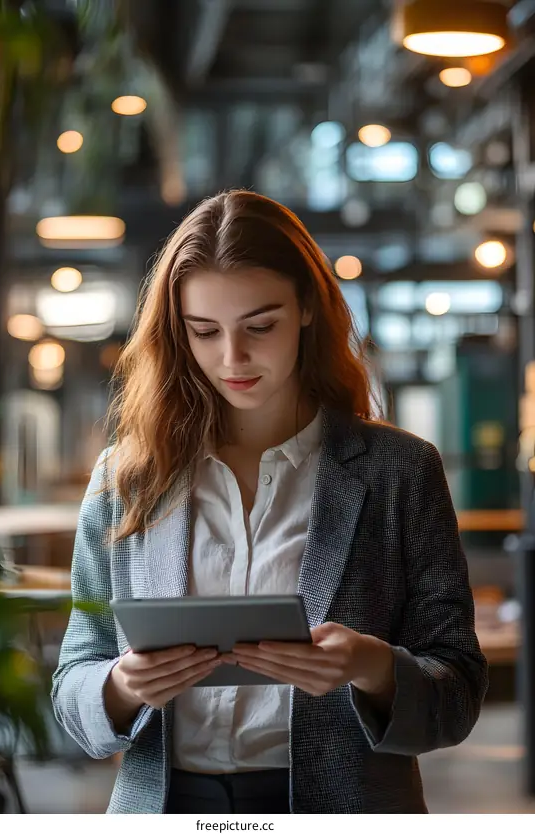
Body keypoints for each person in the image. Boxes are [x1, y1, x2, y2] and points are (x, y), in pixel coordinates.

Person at [51, 189, 488, 814]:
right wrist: (120, 686)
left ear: (308, 306)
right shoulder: (130, 477)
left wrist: (372, 666)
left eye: (260, 326)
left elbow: (460, 695)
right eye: (204, 332)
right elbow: (73, 684)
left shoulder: (400, 473)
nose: (233, 358)